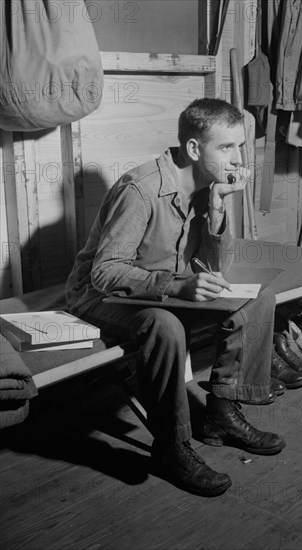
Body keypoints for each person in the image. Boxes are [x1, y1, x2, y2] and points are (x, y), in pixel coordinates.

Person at [65, 98, 285, 498]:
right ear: (195, 149)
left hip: (161, 290)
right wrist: (177, 287)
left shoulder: (208, 186)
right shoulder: (141, 189)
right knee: (163, 326)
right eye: (227, 148)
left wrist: (218, 208)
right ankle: (170, 446)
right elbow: (104, 273)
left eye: (241, 147)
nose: (238, 159)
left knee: (259, 298)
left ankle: (221, 412)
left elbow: (217, 266)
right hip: (99, 296)